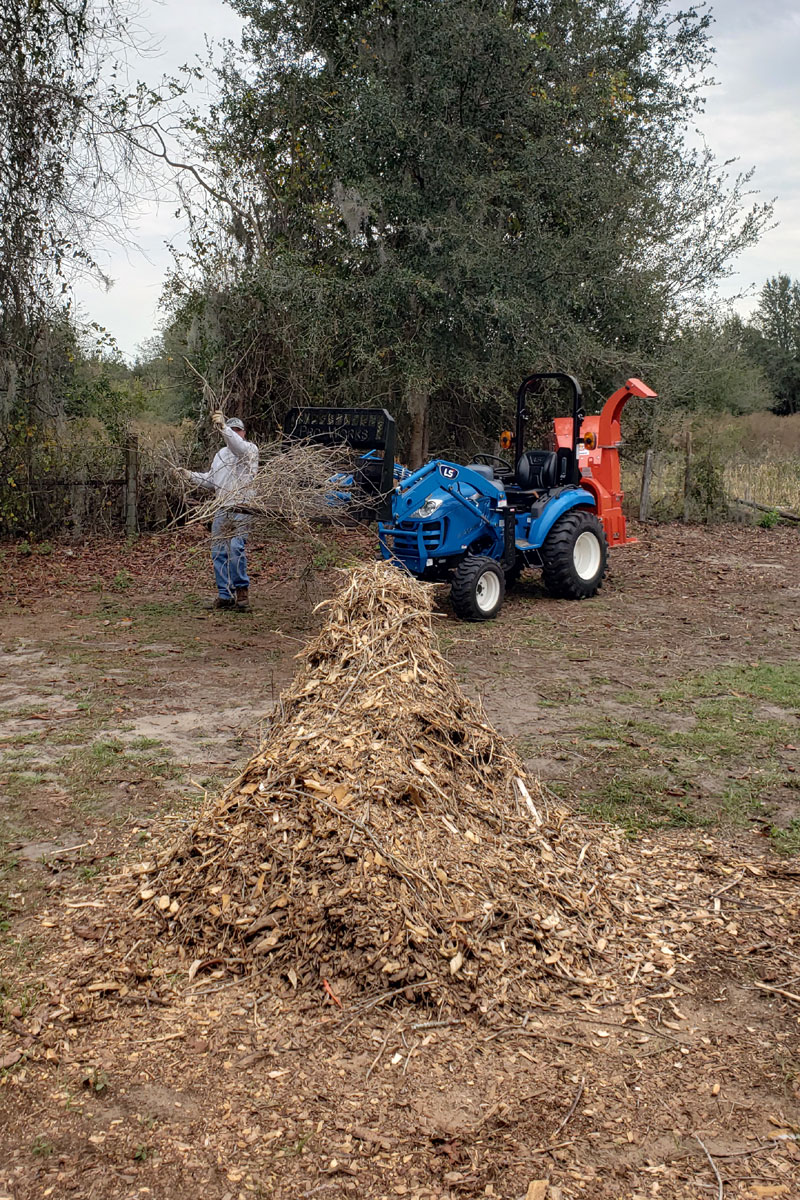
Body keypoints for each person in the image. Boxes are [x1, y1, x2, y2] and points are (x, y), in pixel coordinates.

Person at [180, 411, 259, 611]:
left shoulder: (249, 450)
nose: (234, 433)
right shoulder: (220, 455)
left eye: (237, 430)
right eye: (231, 430)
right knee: (218, 552)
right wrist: (189, 476)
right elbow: (211, 480)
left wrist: (224, 427)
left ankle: (241, 594)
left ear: (244, 432)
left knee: (235, 548)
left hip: (243, 508)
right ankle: (225, 596)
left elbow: (237, 446)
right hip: (222, 508)